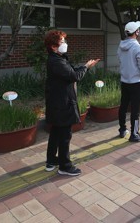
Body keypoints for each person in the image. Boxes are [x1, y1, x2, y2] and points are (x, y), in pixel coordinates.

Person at [44, 30, 99, 176]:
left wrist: (84, 66)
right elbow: (74, 76)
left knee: (56, 132)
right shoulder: (56, 61)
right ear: (53, 46)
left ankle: (51, 161)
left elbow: (71, 71)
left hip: (58, 102)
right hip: (62, 103)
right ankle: (65, 166)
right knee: (64, 135)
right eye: (61, 42)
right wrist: (86, 68)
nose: (65, 44)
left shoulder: (59, 58)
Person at [118, 21, 140, 142]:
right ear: (136, 32)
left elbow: (120, 60)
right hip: (136, 83)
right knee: (135, 110)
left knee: (123, 106)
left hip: (124, 81)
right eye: (138, 30)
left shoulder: (121, 45)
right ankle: (134, 134)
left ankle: (122, 129)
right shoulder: (137, 47)